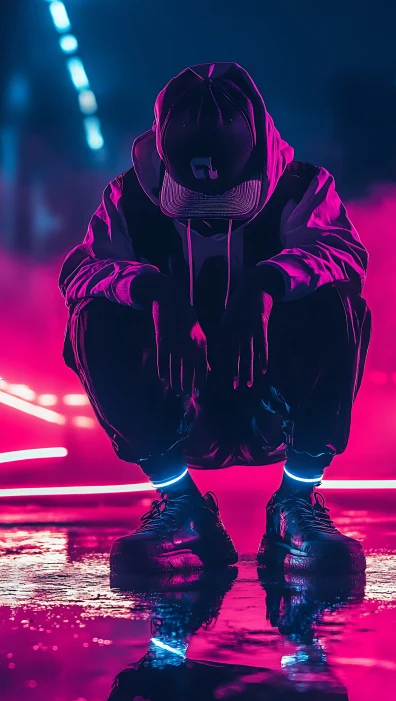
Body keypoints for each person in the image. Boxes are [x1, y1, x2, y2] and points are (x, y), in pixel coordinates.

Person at [60, 62, 371, 576]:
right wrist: (153, 290)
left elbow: (343, 253)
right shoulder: (129, 199)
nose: (208, 212)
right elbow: (81, 273)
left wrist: (265, 285)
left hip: (272, 403)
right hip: (181, 405)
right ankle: (180, 507)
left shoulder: (302, 187)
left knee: (337, 300)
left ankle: (296, 505)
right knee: (93, 315)